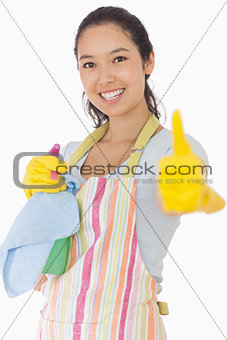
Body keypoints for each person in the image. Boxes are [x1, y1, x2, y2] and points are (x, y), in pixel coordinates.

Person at [22, 6, 224, 340]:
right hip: (54, 327)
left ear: (148, 61)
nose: (104, 77)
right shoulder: (71, 154)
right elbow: (48, 253)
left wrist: (184, 185)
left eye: (118, 59)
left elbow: (184, 182)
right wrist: (39, 198)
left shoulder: (171, 150)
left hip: (128, 329)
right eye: (90, 64)